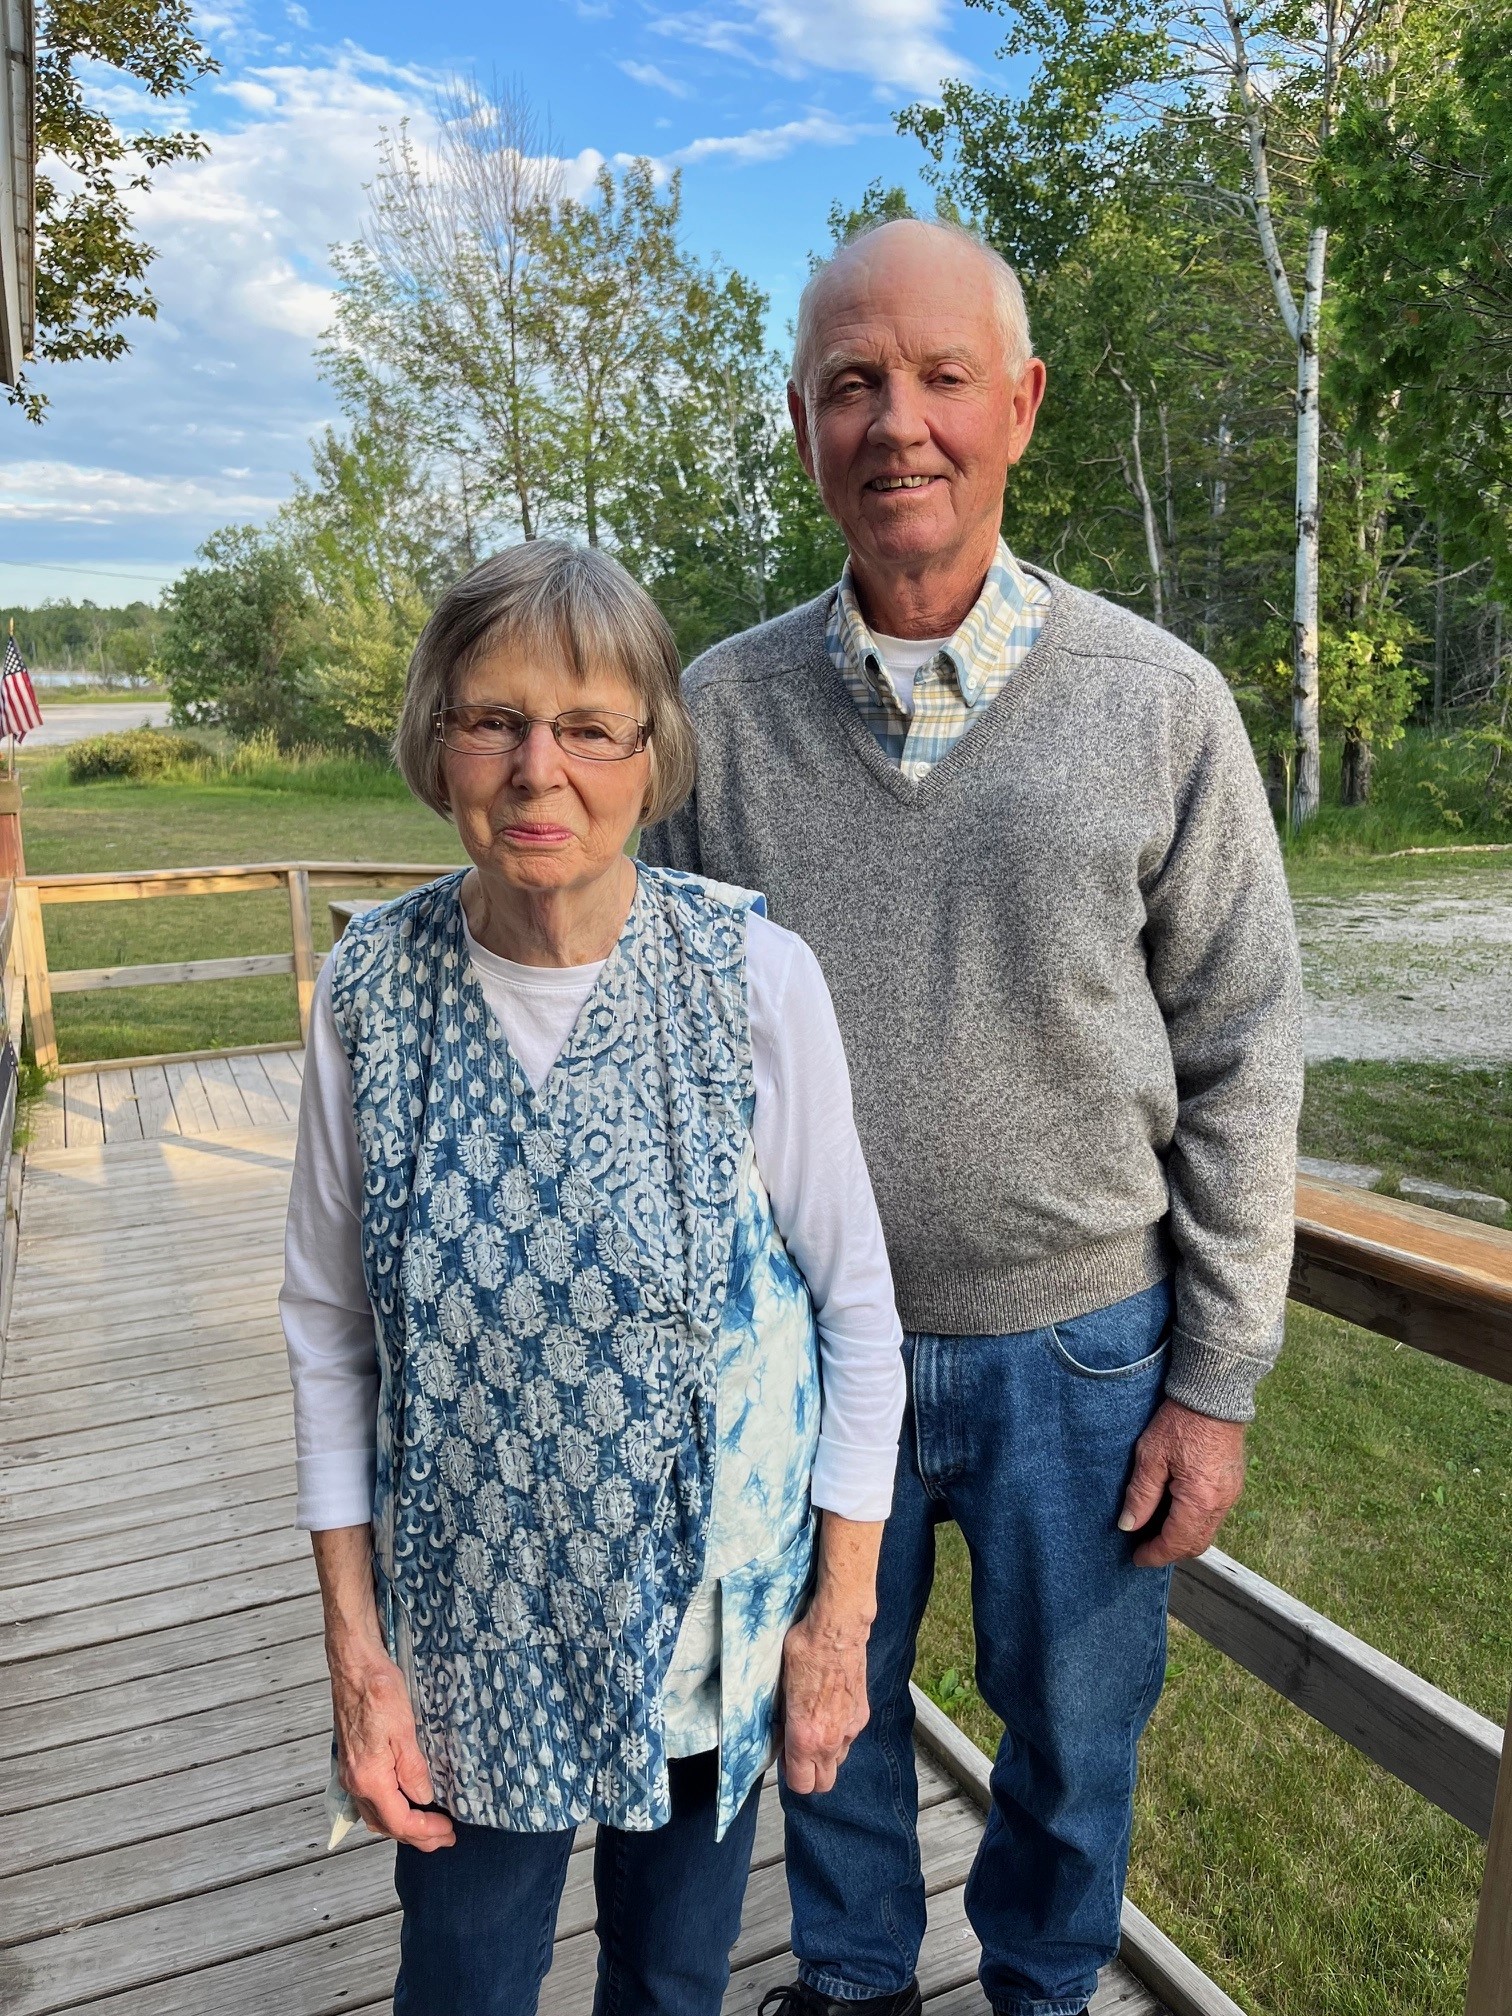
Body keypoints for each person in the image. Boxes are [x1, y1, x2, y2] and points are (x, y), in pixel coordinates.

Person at [640, 218, 1304, 2016]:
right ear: (800, 424)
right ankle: (852, 1990)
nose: (898, 423)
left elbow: (1243, 1046)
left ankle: (1040, 1996)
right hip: (803, 1352)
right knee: (824, 1718)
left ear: (1021, 404)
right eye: (854, 383)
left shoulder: (1160, 706)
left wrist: (1217, 1380)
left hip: (1077, 1358)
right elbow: (655, 1042)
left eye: (941, 378)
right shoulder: (711, 720)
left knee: (1078, 1745)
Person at [279, 539, 907, 2016]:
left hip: (702, 1623)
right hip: (461, 1631)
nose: (535, 769)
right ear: (438, 743)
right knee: (467, 1983)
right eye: (492, 719)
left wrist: (837, 1626)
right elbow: (325, 1333)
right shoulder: (372, 993)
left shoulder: (754, 981)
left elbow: (858, 1317)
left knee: (674, 1984)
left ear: (649, 757)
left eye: (587, 727)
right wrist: (357, 1658)